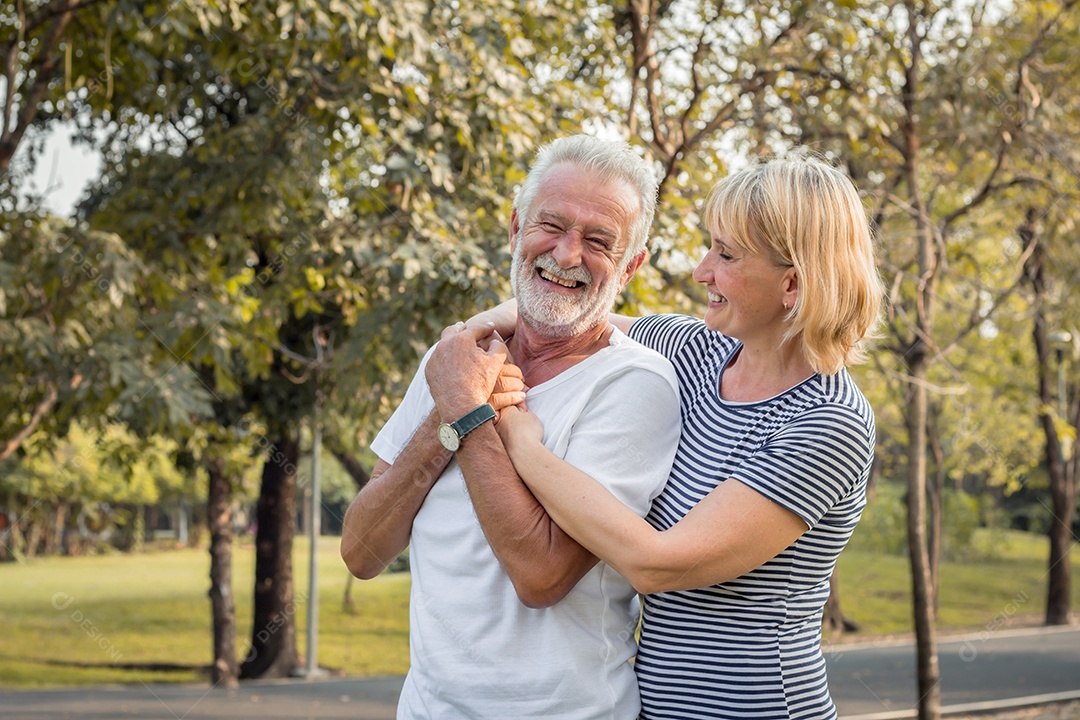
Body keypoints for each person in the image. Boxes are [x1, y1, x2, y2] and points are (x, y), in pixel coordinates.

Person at [475, 154, 883, 719]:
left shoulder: (826, 423)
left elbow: (657, 564)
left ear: (792, 283)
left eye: (727, 254)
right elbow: (568, 316)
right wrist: (468, 338)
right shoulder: (697, 351)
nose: (701, 270)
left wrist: (521, 440)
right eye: (710, 245)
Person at [340, 135, 682, 719]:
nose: (568, 254)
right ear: (516, 225)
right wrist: (447, 414)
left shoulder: (634, 385)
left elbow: (541, 576)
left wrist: (471, 414)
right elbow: (363, 550)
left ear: (630, 269)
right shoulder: (455, 359)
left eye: (599, 241)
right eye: (551, 225)